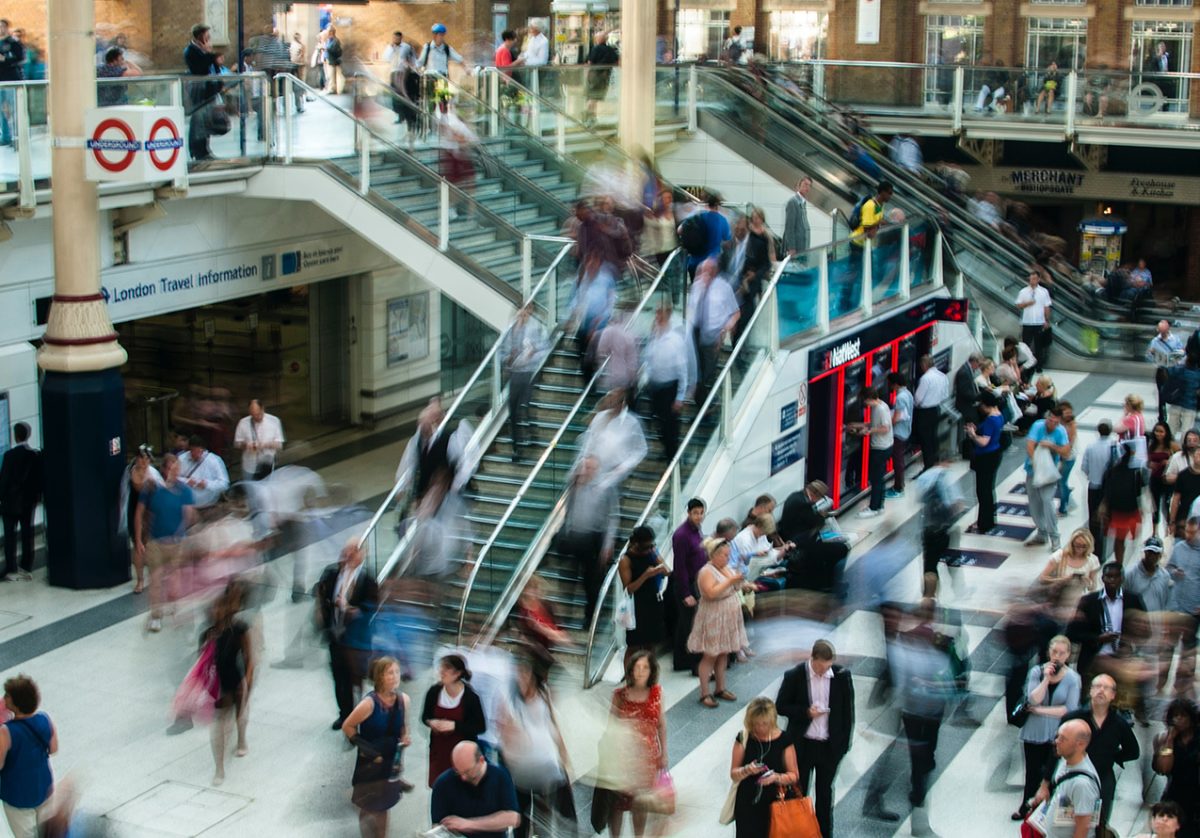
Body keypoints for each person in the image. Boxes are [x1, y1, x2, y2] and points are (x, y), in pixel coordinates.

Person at [775, 640, 854, 838]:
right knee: (798, 792)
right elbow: (781, 706)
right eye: (820, 666)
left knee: (825, 794)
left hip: (829, 747)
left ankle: (823, 833)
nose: (823, 671)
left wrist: (842, 745)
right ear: (813, 659)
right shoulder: (795, 676)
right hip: (803, 745)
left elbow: (848, 713)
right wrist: (805, 712)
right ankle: (797, 831)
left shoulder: (841, 677)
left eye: (827, 667)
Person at [1045, 674, 1138, 833]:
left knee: (1098, 824)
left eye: (1106, 688)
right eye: (1097, 686)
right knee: (1066, 822)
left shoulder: (1119, 723)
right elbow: (1055, 749)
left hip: (1102, 777)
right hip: (1074, 774)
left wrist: (1114, 756)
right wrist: (1045, 782)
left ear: (1113, 695)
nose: (1101, 690)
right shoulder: (1073, 718)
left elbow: (1133, 751)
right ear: (1090, 691)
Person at [499, 657, 576, 838]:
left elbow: (555, 727)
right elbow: (505, 733)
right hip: (521, 770)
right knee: (521, 820)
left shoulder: (545, 695)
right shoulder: (509, 700)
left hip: (547, 766)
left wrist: (566, 762)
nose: (521, 677)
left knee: (558, 815)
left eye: (524, 673)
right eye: (518, 673)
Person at [1014, 635, 1081, 821]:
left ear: (1068, 654)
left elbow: (1069, 709)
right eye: (1054, 652)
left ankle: (1045, 809)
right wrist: (1046, 679)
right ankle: (1026, 805)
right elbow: (1033, 698)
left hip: (1056, 734)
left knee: (1050, 773)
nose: (1057, 656)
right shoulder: (1037, 671)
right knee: (1032, 771)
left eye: (1061, 653)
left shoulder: (1073, 679)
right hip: (1033, 731)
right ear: (1048, 652)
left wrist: (1039, 710)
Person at [343, 657, 412, 838]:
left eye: (397, 672)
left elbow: (404, 726)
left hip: (390, 762)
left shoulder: (403, 700)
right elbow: (348, 726)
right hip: (370, 764)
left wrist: (405, 737)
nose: (395, 676)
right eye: (390, 673)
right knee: (367, 807)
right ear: (379, 676)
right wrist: (367, 750)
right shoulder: (369, 704)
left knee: (384, 806)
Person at [317, 539, 379, 730]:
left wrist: (353, 610)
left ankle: (357, 715)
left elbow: (372, 608)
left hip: (356, 640)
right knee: (338, 676)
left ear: (363, 554)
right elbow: (321, 594)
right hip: (336, 635)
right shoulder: (332, 573)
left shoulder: (367, 581)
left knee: (356, 679)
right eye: (347, 549)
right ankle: (344, 714)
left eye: (355, 550)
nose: (350, 553)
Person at [605, 651, 668, 838]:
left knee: (640, 803)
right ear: (630, 670)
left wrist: (664, 753)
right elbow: (611, 727)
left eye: (645, 667)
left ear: (652, 671)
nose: (640, 672)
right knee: (617, 804)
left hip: (647, 759)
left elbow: (661, 725)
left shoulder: (657, 693)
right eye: (637, 667)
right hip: (622, 757)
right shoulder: (619, 695)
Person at [134, 453, 196, 633]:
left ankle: (175, 607)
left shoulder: (185, 491)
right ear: (164, 470)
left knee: (175, 584)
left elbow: (189, 515)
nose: (174, 472)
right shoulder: (152, 489)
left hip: (177, 543)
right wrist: (138, 539)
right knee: (155, 580)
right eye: (171, 468)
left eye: (177, 468)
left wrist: (185, 535)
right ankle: (155, 615)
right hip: (156, 542)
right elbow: (139, 513)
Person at [1068, 561, 1148, 692]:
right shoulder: (1088, 601)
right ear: (1102, 578)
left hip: (1123, 662)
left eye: (1116, 576)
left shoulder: (1133, 599)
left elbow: (1146, 629)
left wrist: (1128, 643)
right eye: (1108, 576)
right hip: (1094, 661)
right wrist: (1098, 638)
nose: (1112, 580)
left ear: (1122, 578)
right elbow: (1072, 633)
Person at [688, 537, 748, 708]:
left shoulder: (726, 567)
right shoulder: (706, 571)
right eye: (724, 555)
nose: (727, 559)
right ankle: (704, 692)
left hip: (728, 615)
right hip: (714, 616)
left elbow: (733, 585)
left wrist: (742, 583)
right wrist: (730, 581)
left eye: (728, 555)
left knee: (723, 653)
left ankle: (720, 688)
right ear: (713, 555)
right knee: (710, 655)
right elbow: (710, 594)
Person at [205, 581, 254, 786]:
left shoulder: (239, 629)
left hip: (236, 678)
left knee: (240, 714)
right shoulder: (207, 634)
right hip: (218, 684)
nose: (216, 611)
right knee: (219, 725)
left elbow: (249, 658)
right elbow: (203, 664)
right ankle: (219, 767)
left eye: (219, 607)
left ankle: (242, 738)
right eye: (214, 608)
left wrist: (248, 682)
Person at [728, 698, 799, 838]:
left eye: (764, 724)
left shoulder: (784, 740)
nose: (760, 728)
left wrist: (776, 777)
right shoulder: (744, 738)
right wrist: (747, 770)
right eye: (756, 724)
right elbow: (733, 774)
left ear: (772, 721)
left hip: (776, 802)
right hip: (747, 802)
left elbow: (794, 775)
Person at [0, 675, 56, 838]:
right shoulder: (45, 719)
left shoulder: (6, 732)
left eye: (7, 695)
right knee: (48, 833)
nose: (4, 698)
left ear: (15, 703)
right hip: (43, 787)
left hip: (17, 794)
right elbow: (53, 748)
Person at [1026, 718, 1101, 838]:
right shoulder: (1064, 760)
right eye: (1057, 736)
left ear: (1080, 744)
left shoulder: (1082, 784)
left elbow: (1082, 828)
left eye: (1063, 739)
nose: (1056, 741)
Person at [421, 654, 487, 789]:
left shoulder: (470, 698)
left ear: (457, 673)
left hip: (462, 755)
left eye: (447, 668)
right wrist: (431, 722)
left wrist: (455, 726)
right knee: (440, 787)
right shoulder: (434, 692)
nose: (442, 672)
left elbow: (480, 726)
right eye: (441, 668)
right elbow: (425, 716)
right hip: (439, 751)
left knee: (460, 788)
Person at [430, 741, 520, 837]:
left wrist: (468, 824)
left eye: (467, 771)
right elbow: (437, 826)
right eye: (458, 771)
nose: (463, 777)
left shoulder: (500, 775)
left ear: (481, 760)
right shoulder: (443, 783)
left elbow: (513, 818)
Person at [687, 258, 739, 405]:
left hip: (714, 336)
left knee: (707, 373)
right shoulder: (696, 286)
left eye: (709, 271)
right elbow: (691, 309)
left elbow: (735, 313)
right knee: (697, 372)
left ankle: (706, 404)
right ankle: (702, 403)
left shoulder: (724, 288)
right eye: (703, 270)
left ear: (715, 272)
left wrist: (725, 330)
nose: (705, 274)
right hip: (696, 333)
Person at [642, 302, 689, 462]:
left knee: (670, 424)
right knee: (658, 421)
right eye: (656, 313)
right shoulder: (654, 336)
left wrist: (680, 397)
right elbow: (648, 358)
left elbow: (682, 369)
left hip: (670, 387)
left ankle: (673, 455)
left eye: (659, 314)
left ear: (667, 315)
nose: (656, 317)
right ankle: (666, 449)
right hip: (655, 385)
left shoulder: (675, 340)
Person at [618, 526, 669, 668]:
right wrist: (646, 575)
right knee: (633, 645)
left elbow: (667, 572)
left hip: (652, 602)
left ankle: (649, 679)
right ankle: (629, 681)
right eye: (647, 546)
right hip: (636, 606)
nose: (650, 548)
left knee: (650, 644)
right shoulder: (626, 560)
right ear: (637, 544)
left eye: (652, 545)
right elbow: (628, 589)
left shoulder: (652, 553)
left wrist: (659, 561)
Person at [502, 303, 548, 459]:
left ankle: (532, 433)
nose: (524, 315)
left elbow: (544, 347)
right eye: (521, 312)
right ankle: (516, 447)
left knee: (526, 405)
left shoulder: (536, 327)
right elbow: (503, 352)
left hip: (529, 372)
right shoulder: (511, 330)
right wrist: (508, 359)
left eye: (527, 311)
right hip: (515, 374)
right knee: (513, 410)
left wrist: (531, 355)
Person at [1025, 406, 1071, 552]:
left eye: (1055, 422)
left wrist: (1052, 446)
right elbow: (1030, 445)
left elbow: (1065, 452)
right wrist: (1036, 463)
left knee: (1047, 501)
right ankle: (1041, 532)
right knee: (1034, 502)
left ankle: (1054, 535)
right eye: (1050, 420)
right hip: (1033, 470)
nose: (1051, 423)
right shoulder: (1038, 426)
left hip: (1049, 472)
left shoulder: (1060, 431)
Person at [1152, 700, 1200, 838]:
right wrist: (1170, 740)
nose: (1178, 719)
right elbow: (1163, 768)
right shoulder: (1163, 739)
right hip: (1176, 792)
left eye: (1182, 715)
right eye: (1175, 716)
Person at [0, 422, 41, 582]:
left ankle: (11, 567)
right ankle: (26, 564)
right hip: (28, 502)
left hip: (11, 503)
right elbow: (37, 481)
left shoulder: (10, 456)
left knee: (10, 535)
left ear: (16, 436)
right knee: (27, 532)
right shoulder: (34, 456)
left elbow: (4, 481)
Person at [1166, 518, 1200, 700]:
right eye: (1187, 531)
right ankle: (1165, 682)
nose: (1188, 535)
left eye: (1193, 532)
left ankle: (1183, 685)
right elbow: (1168, 567)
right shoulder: (1179, 548)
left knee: (1188, 648)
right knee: (1169, 645)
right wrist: (1174, 572)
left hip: (1193, 609)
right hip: (1175, 605)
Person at [671, 498, 706, 673]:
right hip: (686, 584)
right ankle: (681, 660)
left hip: (696, 582)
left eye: (701, 513)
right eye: (695, 513)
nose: (699, 516)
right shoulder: (682, 535)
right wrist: (686, 592)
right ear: (689, 513)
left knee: (692, 623)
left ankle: (688, 658)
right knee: (686, 624)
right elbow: (680, 566)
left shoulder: (696, 531)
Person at [1102, 440, 1147, 565]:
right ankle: (1124, 563)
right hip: (1128, 510)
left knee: (1120, 539)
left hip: (1119, 510)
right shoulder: (1135, 471)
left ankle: (1120, 563)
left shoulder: (1112, 470)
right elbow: (1140, 490)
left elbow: (1107, 491)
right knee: (1130, 539)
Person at [966, 390, 1004, 534]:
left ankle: (984, 523)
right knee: (988, 489)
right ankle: (988, 519)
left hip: (986, 457)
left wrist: (972, 435)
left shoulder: (990, 420)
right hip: (995, 454)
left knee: (983, 491)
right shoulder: (999, 415)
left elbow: (983, 442)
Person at [854, 386, 893, 518]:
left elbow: (885, 428)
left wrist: (869, 432)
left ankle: (873, 508)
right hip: (886, 446)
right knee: (880, 479)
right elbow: (875, 424)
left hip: (880, 448)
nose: (865, 404)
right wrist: (860, 425)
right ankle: (879, 506)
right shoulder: (881, 406)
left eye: (865, 401)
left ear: (869, 398)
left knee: (876, 479)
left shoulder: (880, 409)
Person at [183, 24, 220, 162]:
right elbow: (199, 68)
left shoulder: (202, 50)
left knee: (205, 120)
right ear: (200, 36)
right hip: (199, 89)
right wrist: (209, 55)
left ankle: (205, 149)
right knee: (198, 120)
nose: (209, 38)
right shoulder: (191, 51)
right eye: (206, 35)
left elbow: (214, 66)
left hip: (208, 88)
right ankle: (197, 151)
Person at [1083, 421, 1118, 558]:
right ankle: (1104, 547)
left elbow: (1084, 467)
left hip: (1094, 486)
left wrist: (1092, 474)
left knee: (1093, 519)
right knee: (1107, 517)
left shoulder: (1091, 447)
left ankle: (1096, 551)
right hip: (1109, 487)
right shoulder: (1114, 446)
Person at [679, 192, 731, 279]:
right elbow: (727, 238)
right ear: (718, 205)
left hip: (694, 262)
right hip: (711, 265)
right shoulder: (722, 220)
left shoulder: (697, 216)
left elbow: (680, 230)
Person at [913, 354, 950, 471]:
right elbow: (945, 395)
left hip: (925, 412)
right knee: (933, 437)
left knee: (925, 440)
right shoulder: (942, 376)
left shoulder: (926, 378)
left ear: (924, 365)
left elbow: (918, 398)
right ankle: (935, 461)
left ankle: (928, 465)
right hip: (936, 410)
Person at [233, 399, 284, 481]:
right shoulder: (243, 423)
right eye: (253, 415)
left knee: (266, 489)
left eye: (258, 414)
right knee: (250, 488)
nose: (256, 417)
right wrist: (246, 445)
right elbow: (237, 443)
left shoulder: (274, 421)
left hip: (267, 464)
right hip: (249, 464)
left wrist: (264, 445)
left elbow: (279, 445)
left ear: (262, 409)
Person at [1039, 528, 1101, 595]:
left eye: (1084, 546)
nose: (1080, 549)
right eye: (1077, 545)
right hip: (1058, 596)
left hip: (1079, 599)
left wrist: (1087, 582)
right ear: (1072, 543)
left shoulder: (1092, 560)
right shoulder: (1059, 556)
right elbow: (1042, 578)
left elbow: (1093, 587)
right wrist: (1063, 580)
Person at [177, 435, 230, 512]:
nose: (194, 454)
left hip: (208, 504)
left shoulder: (214, 460)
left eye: (198, 451)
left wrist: (207, 484)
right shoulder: (182, 458)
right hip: (186, 505)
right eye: (192, 451)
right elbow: (173, 478)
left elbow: (224, 484)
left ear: (203, 450)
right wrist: (186, 481)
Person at [1149, 320, 1186, 423]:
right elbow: (1149, 356)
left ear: (1168, 329)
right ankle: (1162, 417)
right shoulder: (1155, 341)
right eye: (1160, 331)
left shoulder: (1175, 340)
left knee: (1175, 393)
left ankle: (1178, 417)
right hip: (1161, 370)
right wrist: (1152, 354)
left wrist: (1175, 357)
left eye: (1163, 331)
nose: (1162, 333)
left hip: (1173, 369)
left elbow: (1182, 353)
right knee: (1161, 394)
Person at [1016, 269, 1053, 372]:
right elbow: (1018, 305)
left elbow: (1047, 306)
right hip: (1027, 322)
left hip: (1039, 322)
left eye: (1035, 279)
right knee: (1025, 345)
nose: (1033, 281)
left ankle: (1038, 366)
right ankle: (1025, 365)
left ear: (1038, 279)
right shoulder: (1023, 291)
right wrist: (1028, 303)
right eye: (1031, 279)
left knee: (1038, 346)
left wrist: (1046, 320)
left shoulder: (1043, 292)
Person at [1150, 422, 1180, 536]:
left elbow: (1180, 457)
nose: (1158, 434)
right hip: (1155, 479)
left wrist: (1169, 462)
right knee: (1155, 506)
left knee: (1167, 505)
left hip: (1167, 480)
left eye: (1161, 431)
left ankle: (1169, 529)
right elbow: (1147, 459)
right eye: (1157, 431)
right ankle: (1154, 532)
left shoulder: (1172, 445)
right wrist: (1150, 464)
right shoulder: (1152, 445)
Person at [583, 31, 618, 126]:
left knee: (591, 97)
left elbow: (589, 62)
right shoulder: (610, 50)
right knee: (596, 97)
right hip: (605, 76)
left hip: (594, 75)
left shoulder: (595, 49)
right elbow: (616, 61)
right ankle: (592, 117)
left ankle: (589, 117)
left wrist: (586, 75)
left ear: (598, 39)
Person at [1056, 401, 1079, 517]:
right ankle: (1069, 500)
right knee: (1060, 481)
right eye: (1066, 412)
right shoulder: (1060, 422)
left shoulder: (1071, 425)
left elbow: (1070, 441)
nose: (1069, 414)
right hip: (1061, 455)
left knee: (1062, 481)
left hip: (1068, 457)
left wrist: (1064, 454)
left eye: (1070, 412)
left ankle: (1063, 508)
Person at [783, 176, 812, 258]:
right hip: (796, 249)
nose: (808, 187)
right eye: (805, 184)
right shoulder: (793, 202)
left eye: (810, 186)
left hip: (803, 247)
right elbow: (789, 227)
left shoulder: (802, 202)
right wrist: (791, 248)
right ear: (798, 185)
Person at [323, 25, 343, 94]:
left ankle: (332, 89)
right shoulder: (328, 40)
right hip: (328, 60)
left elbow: (334, 50)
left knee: (332, 75)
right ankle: (330, 88)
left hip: (332, 60)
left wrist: (326, 49)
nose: (327, 33)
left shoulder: (335, 40)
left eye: (328, 31)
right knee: (329, 75)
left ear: (332, 32)